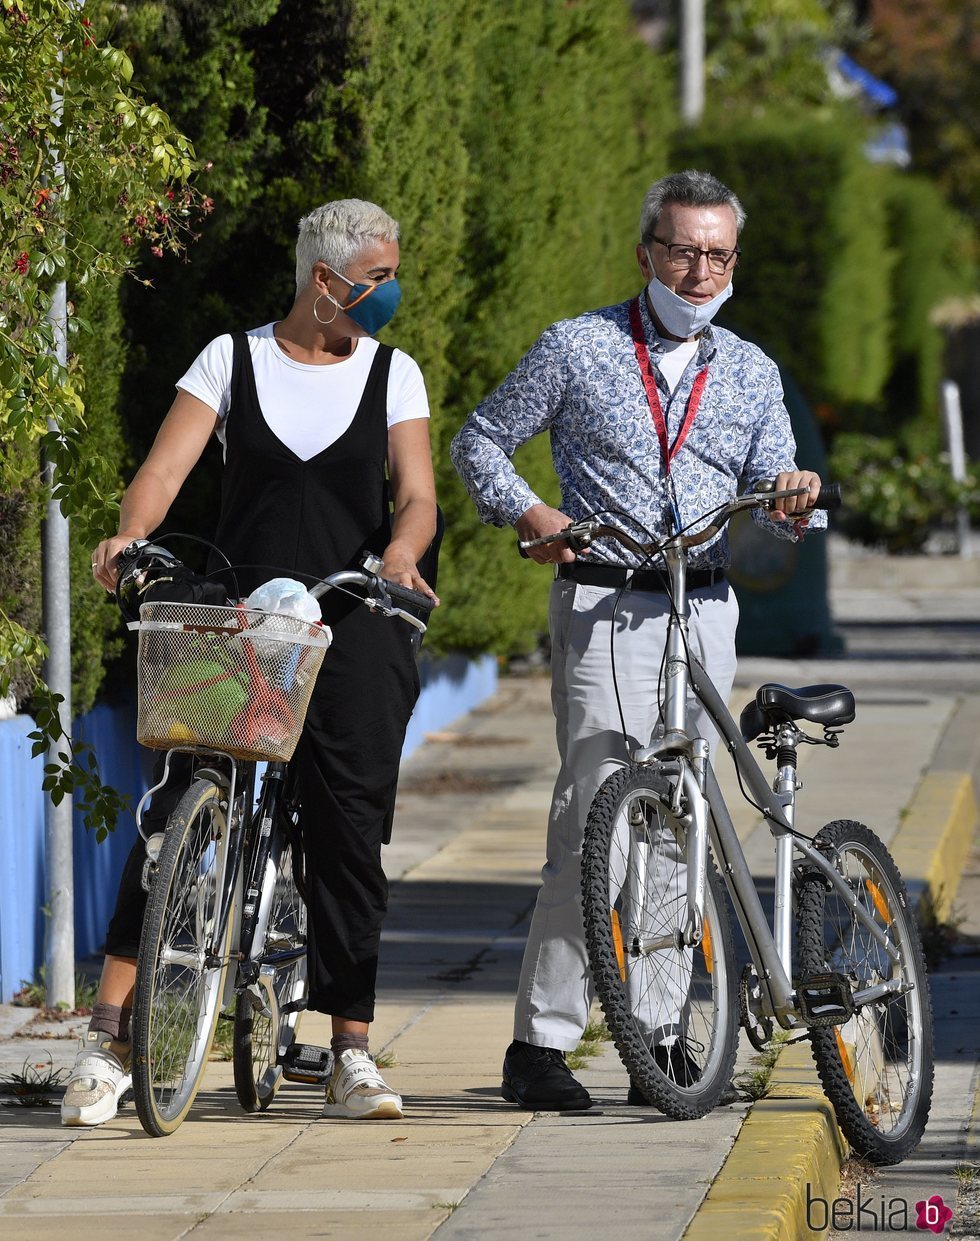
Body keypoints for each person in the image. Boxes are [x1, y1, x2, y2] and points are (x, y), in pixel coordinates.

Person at [451, 169, 826, 1111]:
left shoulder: (750, 369)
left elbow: (776, 485)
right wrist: (530, 508)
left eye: (718, 255)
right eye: (684, 251)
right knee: (594, 825)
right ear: (646, 253)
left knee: (681, 828)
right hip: (605, 603)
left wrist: (790, 496)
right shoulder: (575, 347)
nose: (700, 272)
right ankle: (541, 1043)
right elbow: (480, 440)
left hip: (703, 607)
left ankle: (659, 1036)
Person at [62, 198, 439, 1127]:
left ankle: (349, 1046)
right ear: (326, 279)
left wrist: (401, 555)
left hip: (351, 614)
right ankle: (109, 1042)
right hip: (236, 614)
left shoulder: (396, 374)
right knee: (172, 806)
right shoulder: (232, 359)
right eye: (379, 277)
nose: (391, 292)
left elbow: (418, 494)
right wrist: (132, 533)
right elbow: (163, 469)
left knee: (350, 832)